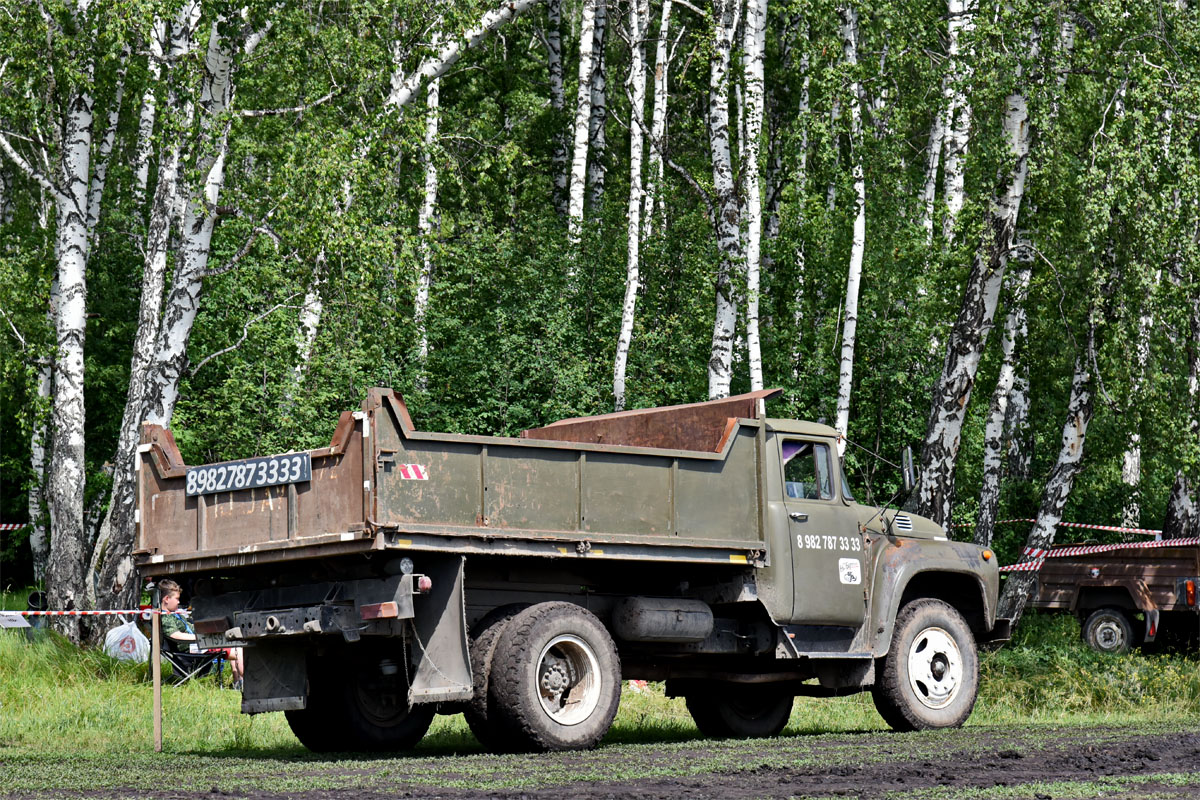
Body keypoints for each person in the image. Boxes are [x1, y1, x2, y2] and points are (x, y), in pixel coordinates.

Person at [158, 579, 244, 689]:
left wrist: (210, 629)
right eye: (177, 599)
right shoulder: (166, 617)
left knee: (234, 645)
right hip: (193, 648)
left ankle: (238, 683)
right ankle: (244, 683)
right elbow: (176, 635)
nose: (179, 602)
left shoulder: (174, 614)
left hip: (196, 644)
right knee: (239, 650)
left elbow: (191, 627)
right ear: (166, 599)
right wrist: (200, 638)